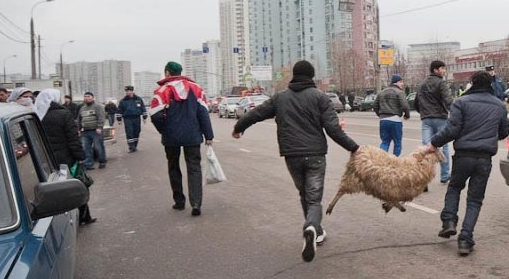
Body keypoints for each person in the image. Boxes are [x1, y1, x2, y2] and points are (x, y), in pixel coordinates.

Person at [231, 60, 360, 262]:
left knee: (304, 194)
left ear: (294, 75)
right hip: (315, 155)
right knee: (314, 198)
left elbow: (256, 113)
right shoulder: (320, 97)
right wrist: (354, 148)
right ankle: (312, 227)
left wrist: (239, 127)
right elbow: (333, 129)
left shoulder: (280, 98)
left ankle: (313, 228)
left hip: (292, 155)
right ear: (312, 76)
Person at [422, 71, 509, 256]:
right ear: (490, 85)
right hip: (484, 158)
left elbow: (451, 130)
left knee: (454, 188)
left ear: (471, 84)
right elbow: (503, 132)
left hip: (463, 156)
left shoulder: (461, 103)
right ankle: (465, 240)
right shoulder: (499, 105)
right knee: (475, 200)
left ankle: (448, 222)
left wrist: (433, 144)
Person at [150, 61, 214, 217]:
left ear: (167, 73)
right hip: (192, 136)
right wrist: (209, 135)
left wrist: (164, 130)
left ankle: (179, 201)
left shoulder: (162, 90)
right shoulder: (197, 89)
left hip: (171, 137)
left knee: (173, 167)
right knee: (194, 168)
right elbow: (203, 113)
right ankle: (196, 203)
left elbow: (156, 115)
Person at [36, 88, 96, 224]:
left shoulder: (37, 115)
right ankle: (83, 216)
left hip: (45, 159)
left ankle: (57, 219)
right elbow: (73, 139)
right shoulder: (64, 114)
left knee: (52, 188)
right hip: (65, 158)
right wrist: (80, 156)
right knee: (75, 186)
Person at [415, 60, 453, 185]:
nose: (444, 71)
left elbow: (416, 103)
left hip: (426, 119)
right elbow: (448, 100)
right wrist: (455, 112)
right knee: (444, 146)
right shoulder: (441, 83)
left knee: (426, 149)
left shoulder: (421, 84)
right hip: (440, 118)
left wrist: (423, 112)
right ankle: (445, 175)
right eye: (442, 68)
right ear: (435, 70)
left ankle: (423, 180)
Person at [374, 74, 410, 156]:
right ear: (396, 82)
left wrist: (381, 115)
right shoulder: (399, 92)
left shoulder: (381, 93)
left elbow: (375, 106)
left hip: (383, 121)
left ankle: (381, 161)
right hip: (395, 120)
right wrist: (406, 115)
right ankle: (395, 162)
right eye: (401, 82)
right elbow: (405, 106)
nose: (402, 84)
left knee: (385, 142)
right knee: (397, 143)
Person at [78, 92, 107, 169]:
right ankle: (88, 164)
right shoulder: (82, 108)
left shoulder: (97, 107)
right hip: (85, 131)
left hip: (96, 131)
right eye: (85, 97)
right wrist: (79, 129)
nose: (87, 98)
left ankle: (102, 161)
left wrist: (99, 127)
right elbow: (79, 119)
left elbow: (101, 117)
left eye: (88, 96)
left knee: (98, 147)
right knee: (86, 148)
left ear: (92, 98)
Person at [117, 85, 148, 152]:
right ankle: (131, 147)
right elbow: (119, 110)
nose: (128, 92)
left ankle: (135, 145)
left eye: (129, 91)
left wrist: (144, 117)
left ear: (132, 91)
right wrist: (119, 119)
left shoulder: (138, 99)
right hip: (127, 118)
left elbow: (143, 108)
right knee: (129, 132)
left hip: (137, 118)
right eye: (127, 91)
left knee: (137, 132)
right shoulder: (123, 101)